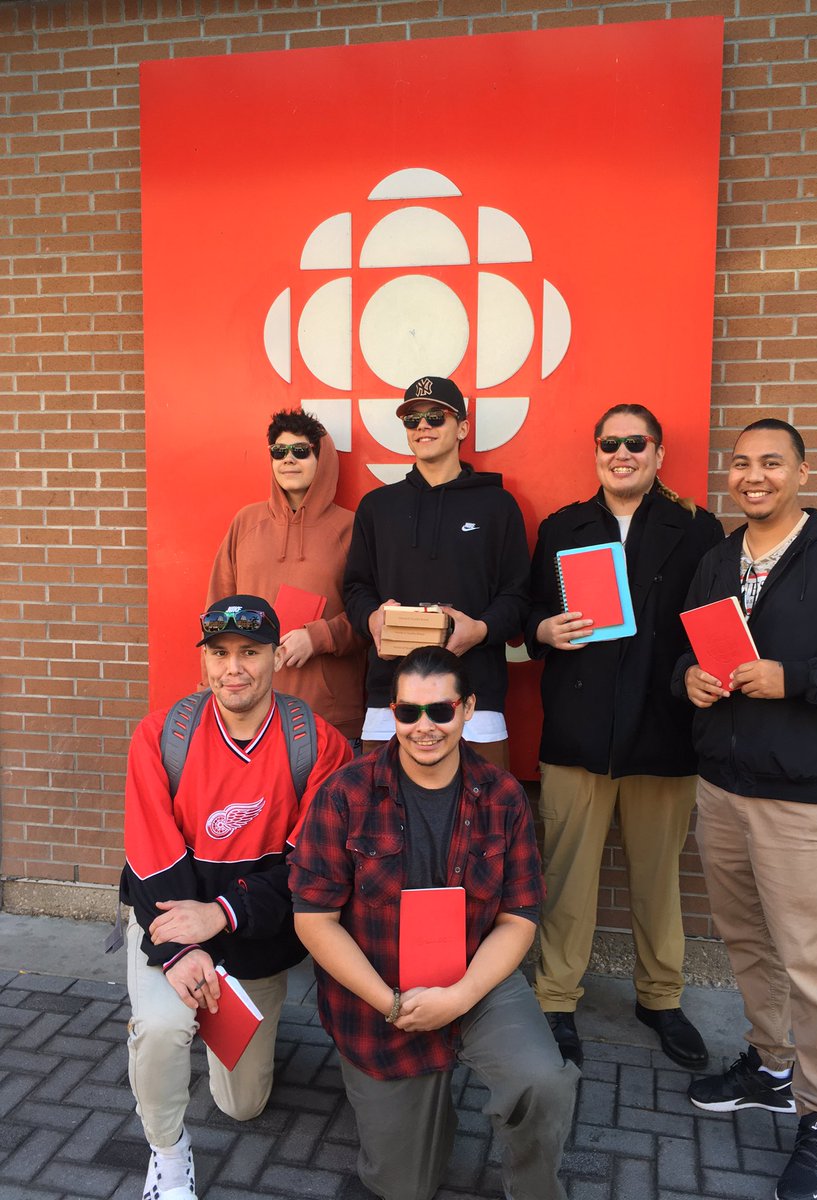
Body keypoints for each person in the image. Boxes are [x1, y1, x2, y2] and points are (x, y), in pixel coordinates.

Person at [675, 419, 817, 1200]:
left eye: (772, 463)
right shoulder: (717, 559)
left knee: (813, 960)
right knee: (745, 941)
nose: (754, 476)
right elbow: (692, 650)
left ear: (803, 473)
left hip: (803, 801)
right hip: (724, 787)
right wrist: (690, 681)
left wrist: (795, 677)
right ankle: (772, 1066)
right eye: (741, 464)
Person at [289, 646, 579, 1200]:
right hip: (379, 997)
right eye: (409, 712)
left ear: (467, 709)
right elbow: (314, 920)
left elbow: (519, 918)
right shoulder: (345, 794)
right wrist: (389, 1002)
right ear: (392, 712)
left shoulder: (503, 796)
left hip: (476, 976)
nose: (425, 727)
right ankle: (422, 1115)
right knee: (404, 1188)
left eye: (441, 711)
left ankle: (536, 1191)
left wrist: (464, 994)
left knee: (543, 1082)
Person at [121, 594, 351, 1200]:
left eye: (250, 652)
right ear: (204, 661)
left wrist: (221, 915)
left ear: (278, 656)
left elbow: (312, 867)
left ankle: (208, 1035)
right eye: (219, 653)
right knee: (163, 1030)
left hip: (250, 938)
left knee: (244, 1105)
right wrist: (180, 951)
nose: (234, 668)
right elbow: (149, 858)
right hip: (170, 926)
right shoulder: (162, 736)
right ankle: (169, 1155)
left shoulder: (317, 745)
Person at [526, 404, 723, 1070]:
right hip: (578, 735)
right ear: (597, 453)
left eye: (635, 442)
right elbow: (528, 611)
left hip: (664, 734)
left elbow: (715, 625)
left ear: (658, 454)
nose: (622, 452)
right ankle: (555, 1001)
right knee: (567, 878)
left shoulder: (697, 530)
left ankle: (661, 999)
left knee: (658, 880)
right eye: (609, 442)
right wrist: (543, 631)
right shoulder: (562, 527)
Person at [343, 376, 530, 768]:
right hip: (391, 700)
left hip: (476, 701)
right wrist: (372, 618)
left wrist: (480, 630)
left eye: (436, 417)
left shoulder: (498, 506)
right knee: (386, 825)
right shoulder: (377, 507)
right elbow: (356, 587)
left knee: (481, 824)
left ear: (462, 427)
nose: (423, 427)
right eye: (413, 420)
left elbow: (518, 595)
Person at [207, 408, 366, 741]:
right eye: (279, 452)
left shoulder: (352, 528)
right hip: (252, 713)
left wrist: (319, 637)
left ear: (321, 458)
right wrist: (214, 694)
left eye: (301, 451)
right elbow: (216, 615)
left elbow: (370, 618)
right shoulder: (246, 523)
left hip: (328, 717)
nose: (288, 459)